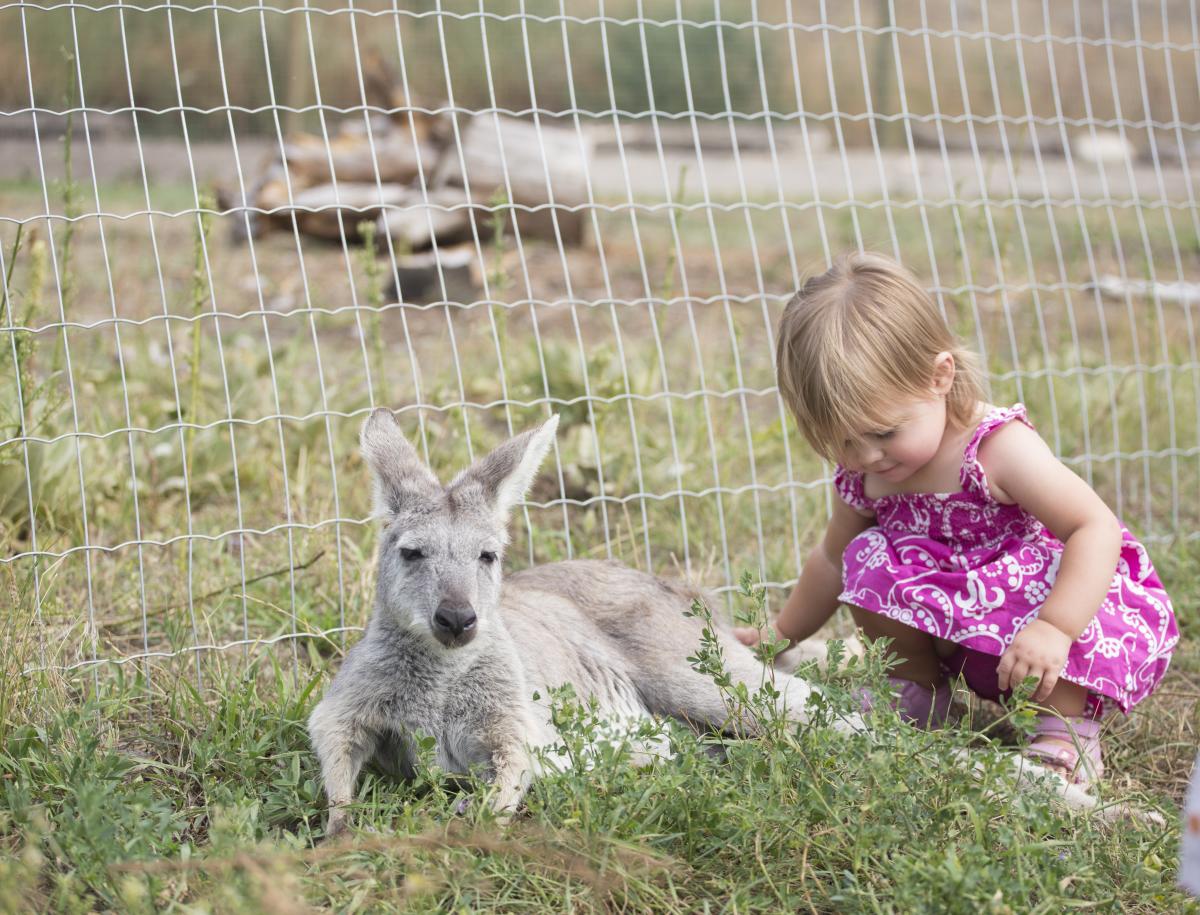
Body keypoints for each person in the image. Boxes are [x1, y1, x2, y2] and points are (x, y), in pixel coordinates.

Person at [735, 251, 1178, 786]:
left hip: (1033, 625)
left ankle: (1063, 731)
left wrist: (1056, 626)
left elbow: (1094, 528)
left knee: (1056, 579)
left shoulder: (996, 449)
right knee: (866, 557)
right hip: (953, 629)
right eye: (842, 440)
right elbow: (832, 560)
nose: (867, 456)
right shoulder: (864, 479)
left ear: (939, 376)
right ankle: (916, 695)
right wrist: (782, 632)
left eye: (883, 432)